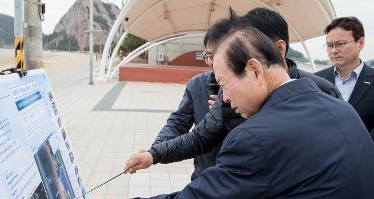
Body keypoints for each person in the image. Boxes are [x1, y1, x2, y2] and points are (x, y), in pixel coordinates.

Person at [76, 27, 374, 199]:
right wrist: (155, 153)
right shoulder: (340, 109)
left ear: (255, 70)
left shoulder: (258, 137)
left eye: (223, 84)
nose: (224, 100)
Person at [124, 8, 342, 174]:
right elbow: (200, 136)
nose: (225, 95)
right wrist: (154, 154)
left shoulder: (325, 93)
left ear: (279, 48)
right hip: (227, 193)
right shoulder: (226, 93)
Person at [142, 19, 237, 199]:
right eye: (208, 56)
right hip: (204, 177)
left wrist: (229, 112)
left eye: (218, 55)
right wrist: (156, 149)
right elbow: (178, 122)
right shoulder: (198, 84)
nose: (212, 63)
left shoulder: (249, 89)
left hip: (238, 183)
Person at [315, 16, 374, 140]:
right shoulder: (316, 80)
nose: (334, 50)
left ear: (360, 43)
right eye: (329, 45)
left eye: (340, 44)